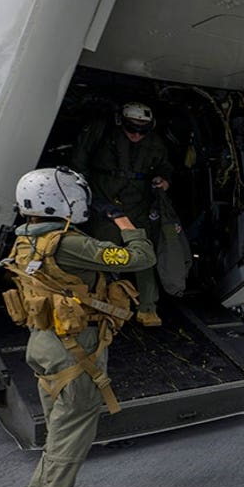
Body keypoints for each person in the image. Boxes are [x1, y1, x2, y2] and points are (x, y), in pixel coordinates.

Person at [2, 167, 156, 487]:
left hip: (43, 345)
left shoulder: (24, 241)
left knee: (59, 432)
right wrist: (124, 221)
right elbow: (141, 258)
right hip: (74, 351)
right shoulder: (68, 244)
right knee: (72, 435)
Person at [71, 102, 172, 327]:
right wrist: (84, 193)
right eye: (131, 128)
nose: (136, 135)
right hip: (103, 201)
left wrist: (164, 180)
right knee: (105, 252)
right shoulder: (101, 133)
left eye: (142, 130)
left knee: (144, 253)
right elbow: (79, 160)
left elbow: (165, 166)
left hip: (138, 203)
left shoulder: (154, 143)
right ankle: (103, 304)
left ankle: (147, 307)